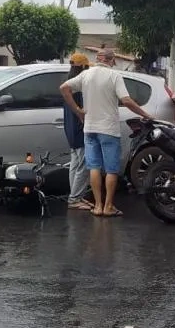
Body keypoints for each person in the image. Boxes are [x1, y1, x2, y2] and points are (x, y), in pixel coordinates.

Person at [60, 48, 153, 217]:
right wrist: (145, 114)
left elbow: (64, 88)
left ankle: (97, 206)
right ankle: (108, 206)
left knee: (93, 167)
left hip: (90, 129)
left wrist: (78, 111)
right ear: (112, 60)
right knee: (111, 169)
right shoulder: (114, 76)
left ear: (97, 59)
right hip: (108, 129)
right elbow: (126, 100)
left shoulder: (86, 75)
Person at [64, 53, 93, 211]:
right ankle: (75, 198)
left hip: (70, 130)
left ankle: (76, 196)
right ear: (82, 67)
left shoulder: (68, 84)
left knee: (75, 164)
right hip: (79, 130)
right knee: (83, 165)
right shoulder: (79, 86)